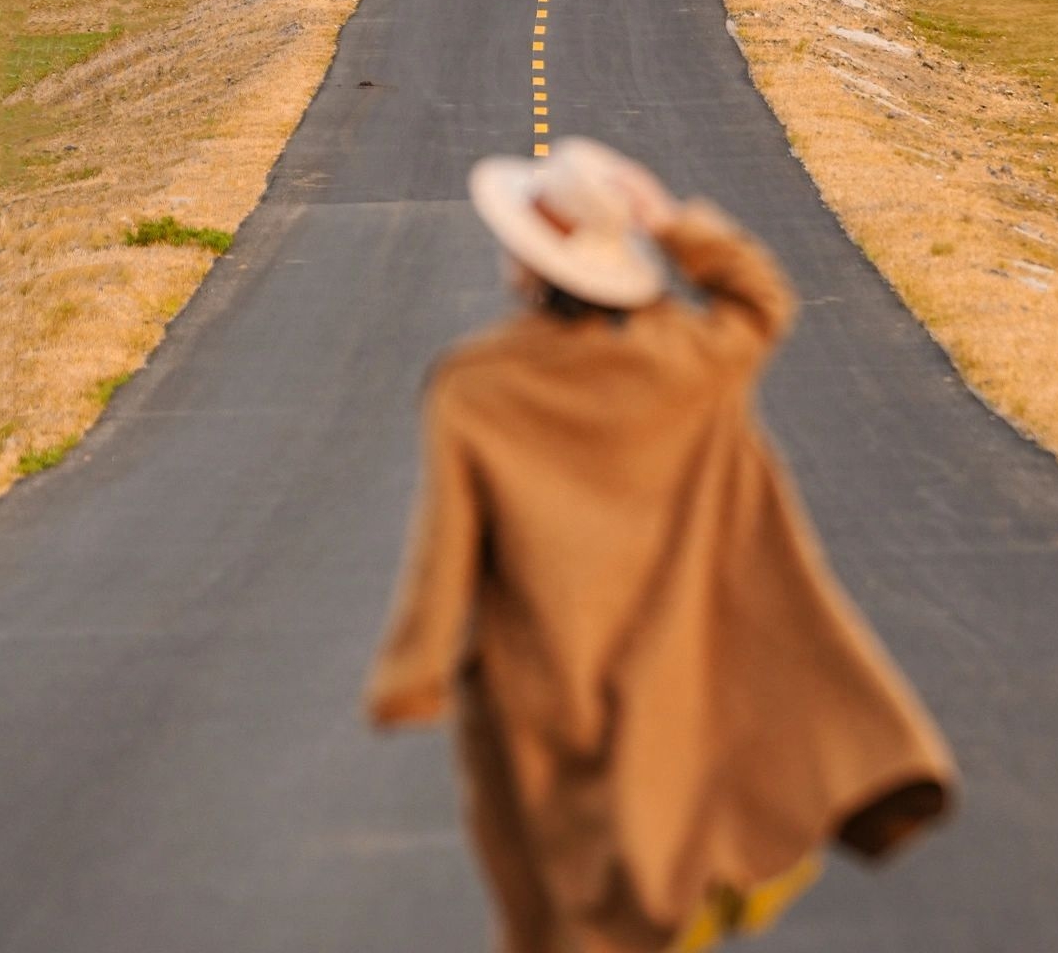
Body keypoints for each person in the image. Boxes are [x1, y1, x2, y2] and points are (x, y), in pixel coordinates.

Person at [366, 137, 956, 952]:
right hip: (674, 654)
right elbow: (761, 301)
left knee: (562, 895)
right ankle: (703, 899)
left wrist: (415, 671)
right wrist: (670, 219)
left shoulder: (475, 385)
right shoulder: (691, 357)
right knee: (660, 842)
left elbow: (448, 545)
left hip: (541, 671)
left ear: (530, 265)